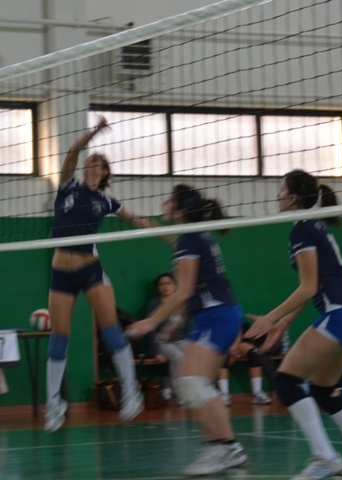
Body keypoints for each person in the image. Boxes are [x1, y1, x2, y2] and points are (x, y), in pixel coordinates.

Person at [245, 169, 342, 480]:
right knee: (323, 387)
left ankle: (325, 457)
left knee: (286, 382)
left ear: (294, 197)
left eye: (281, 190)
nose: (277, 195)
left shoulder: (302, 230)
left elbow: (308, 287)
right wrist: (285, 322)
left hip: (340, 313)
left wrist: (270, 317)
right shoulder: (314, 225)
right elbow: (314, 284)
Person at [45, 117, 156, 432]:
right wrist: (93, 133)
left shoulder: (106, 201)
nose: (89, 163)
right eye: (89, 160)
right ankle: (54, 403)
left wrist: (168, 237)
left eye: (96, 161)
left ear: (105, 171)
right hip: (61, 271)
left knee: (110, 329)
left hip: (89, 268)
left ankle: (131, 392)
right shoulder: (67, 185)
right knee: (59, 336)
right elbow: (71, 153)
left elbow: (135, 219)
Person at [127, 185, 247, 477]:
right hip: (212, 316)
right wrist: (176, 322)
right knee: (193, 384)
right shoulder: (190, 237)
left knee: (192, 382)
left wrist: (150, 322)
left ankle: (224, 446)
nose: (164, 203)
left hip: (218, 316)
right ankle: (225, 447)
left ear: (181, 210)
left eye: (170, 200)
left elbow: (184, 291)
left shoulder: (190, 240)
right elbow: (166, 239)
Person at [145, 273, 189, 402]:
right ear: (157, 288)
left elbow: (190, 325)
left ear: (175, 286)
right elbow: (150, 329)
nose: (165, 287)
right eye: (161, 284)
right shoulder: (153, 304)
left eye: (168, 283)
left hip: (181, 339)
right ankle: (179, 392)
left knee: (194, 354)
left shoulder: (182, 303)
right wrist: (156, 352)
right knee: (179, 357)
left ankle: (186, 387)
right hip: (162, 342)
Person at [218, 322, 280, 406]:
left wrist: (235, 347)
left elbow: (239, 330)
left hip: (237, 343)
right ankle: (224, 394)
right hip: (220, 343)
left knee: (254, 353)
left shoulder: (235, 316)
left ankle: (257, 393)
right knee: (223, 355)